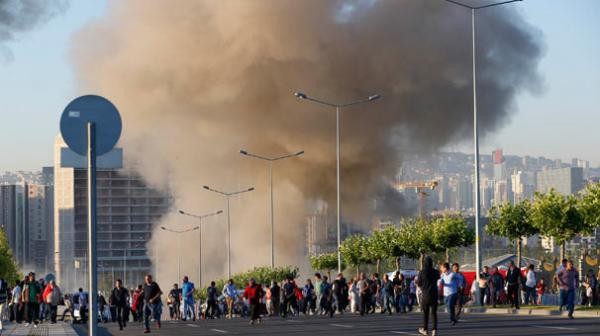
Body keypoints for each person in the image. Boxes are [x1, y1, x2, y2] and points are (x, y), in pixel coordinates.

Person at [417, 256, 441, 336]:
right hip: (434, 294)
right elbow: (438, 278)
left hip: (425, 295)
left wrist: (423, 286)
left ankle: (425, 329)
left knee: (425, 314)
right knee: (434, 313)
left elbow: (419, 283)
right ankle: (434, 330)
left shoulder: (421, 272)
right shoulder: (435, 271)